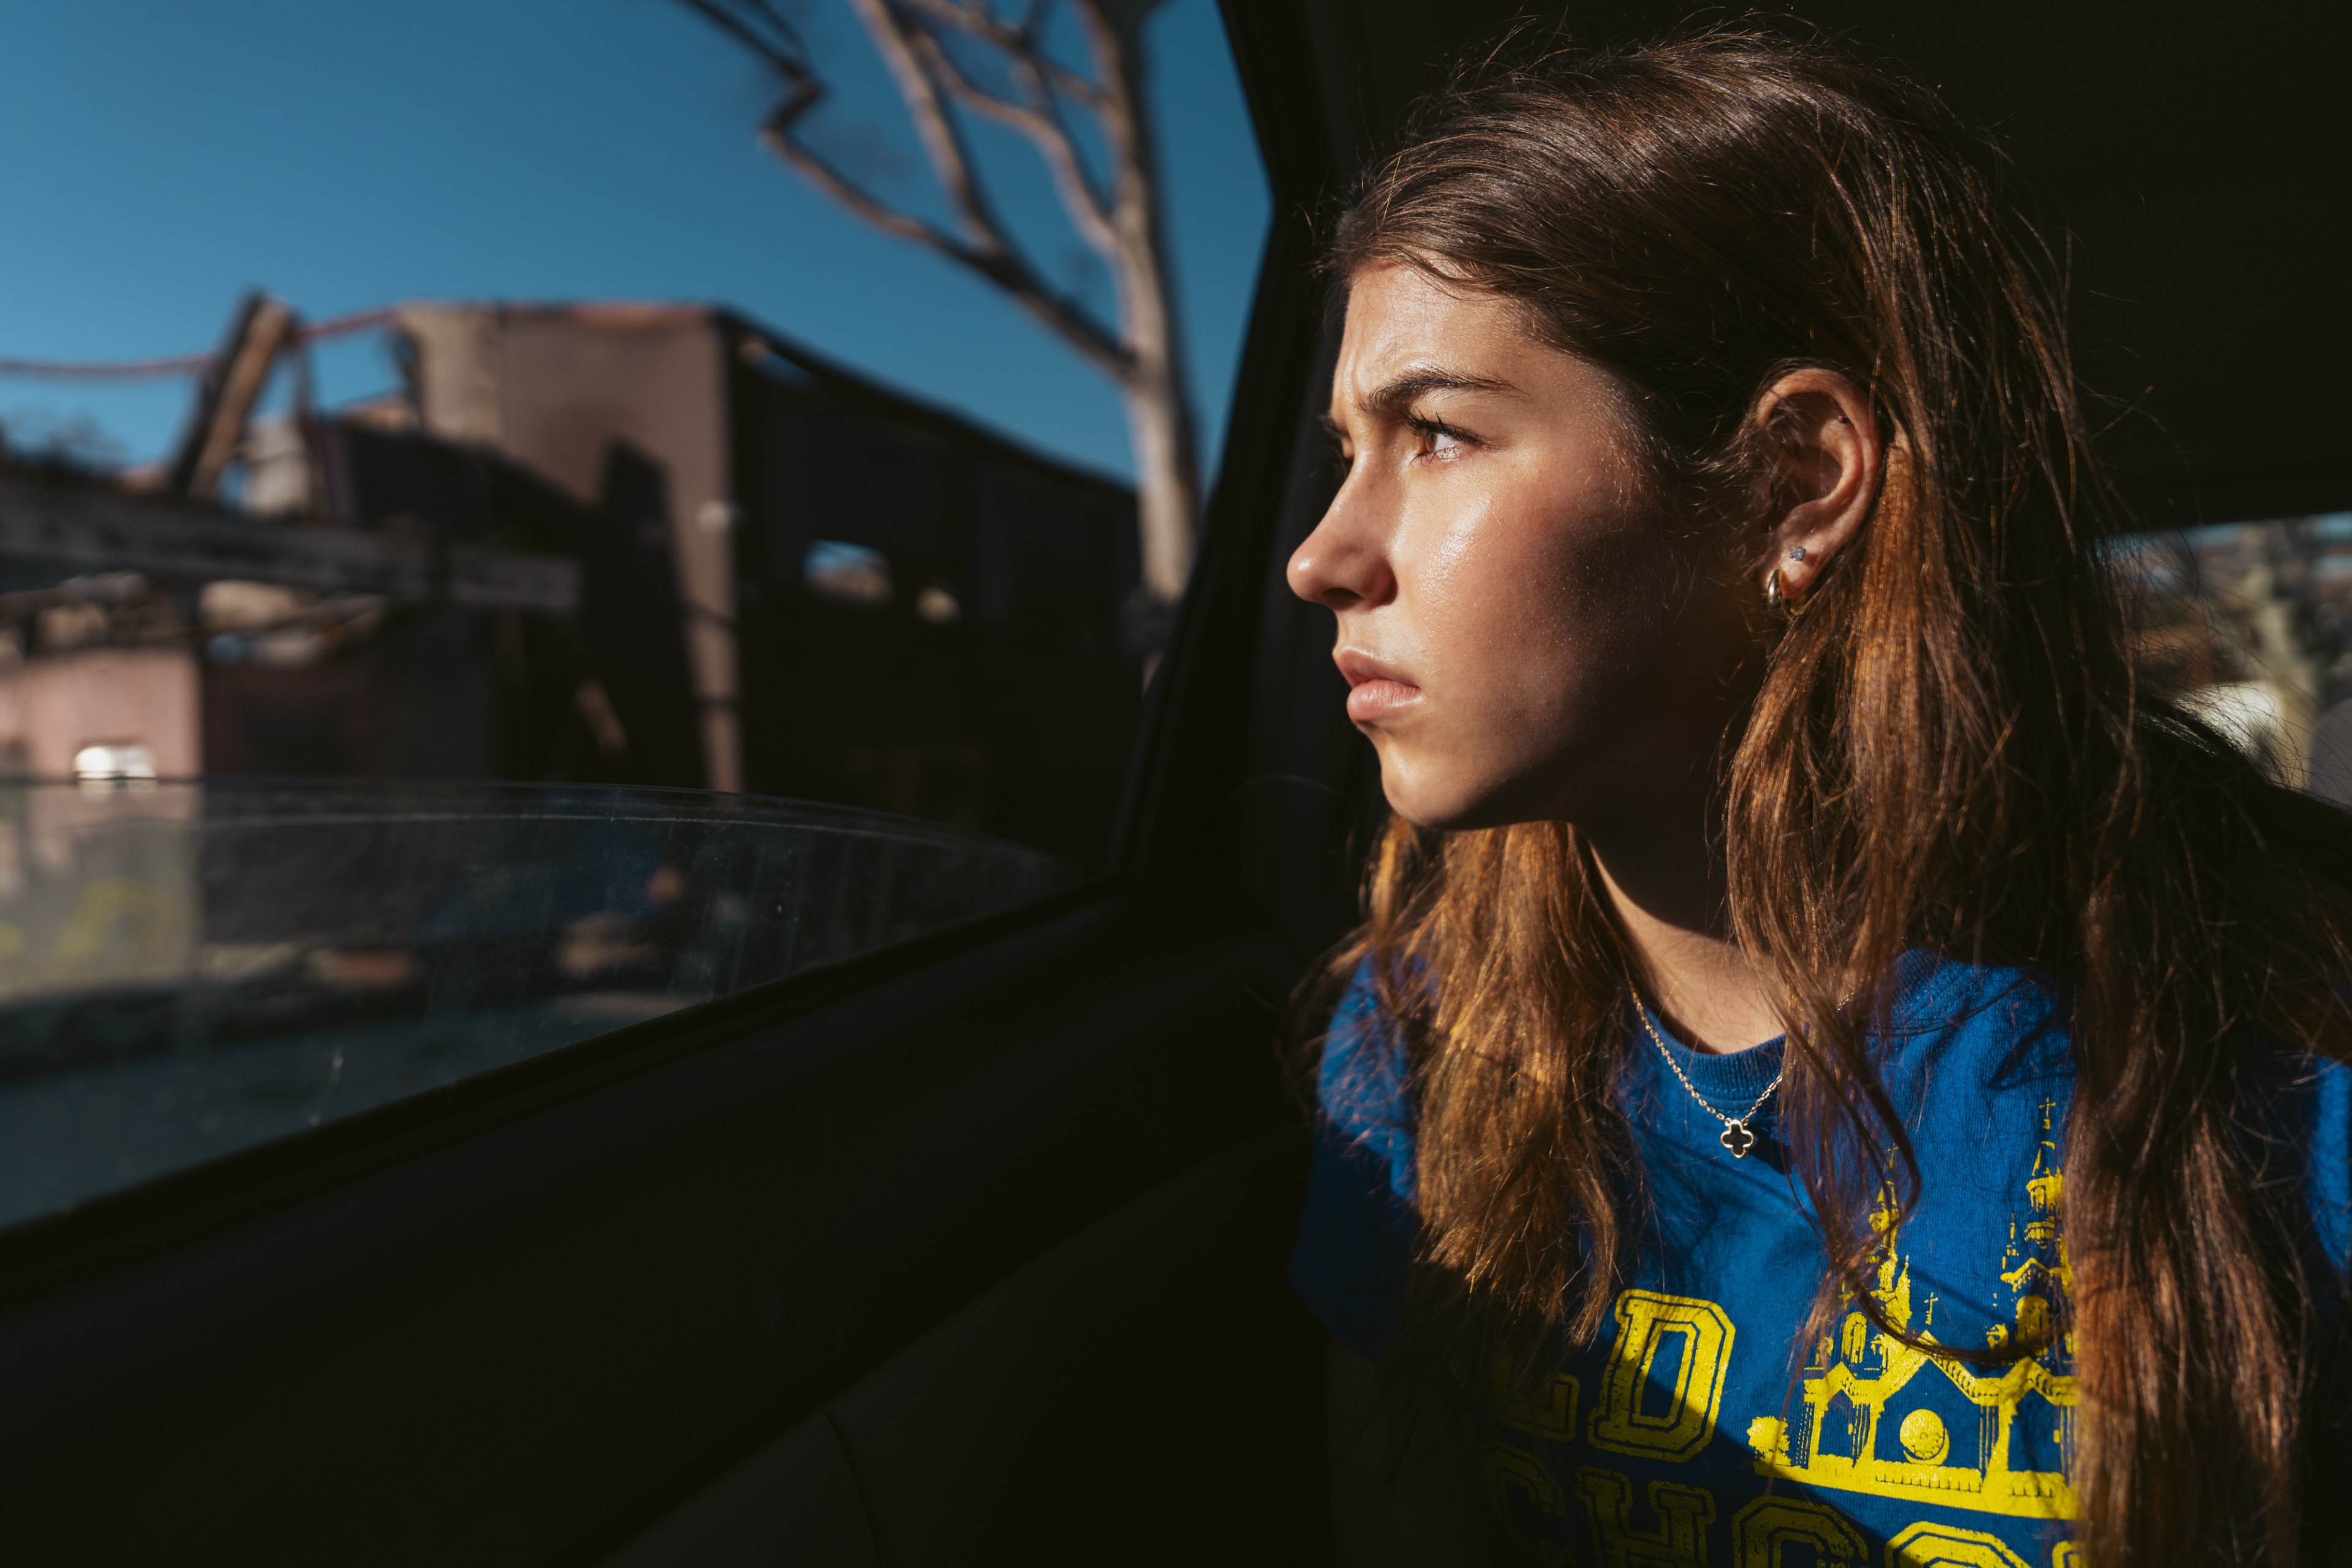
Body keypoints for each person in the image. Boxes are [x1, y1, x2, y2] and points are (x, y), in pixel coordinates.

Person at [1283, 29, 2352, 1568]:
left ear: (1797, 482)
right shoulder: (1420, 1040)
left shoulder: (2278, 1040)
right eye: (1344, 451)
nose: (1323, 554)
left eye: (1437, 434)